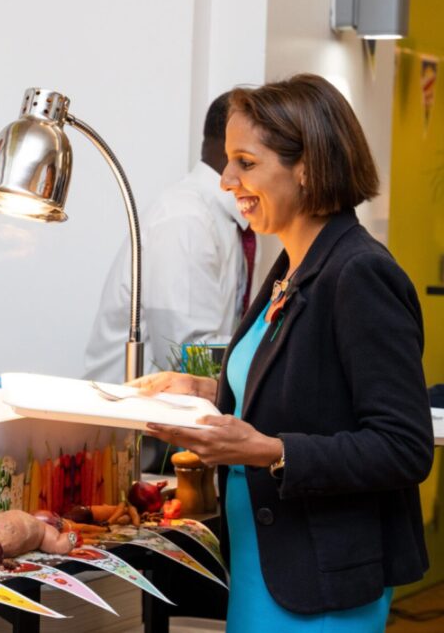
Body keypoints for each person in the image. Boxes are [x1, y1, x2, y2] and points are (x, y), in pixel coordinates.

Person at [134, 74, 433, 630]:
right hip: (264, 563)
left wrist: (266, 448)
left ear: (307, 166)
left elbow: (403, 447)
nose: (226, 180)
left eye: (245, 162)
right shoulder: (292, 265)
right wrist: (204, 390)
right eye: (228, 162)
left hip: (321, 583)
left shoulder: (360, 273)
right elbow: (303, 386)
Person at [82, 91, 253, 383]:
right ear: (233, 145)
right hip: (128, 420)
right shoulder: (186, 220)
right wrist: (273, 357)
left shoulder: (225, 218)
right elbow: (187, 356)